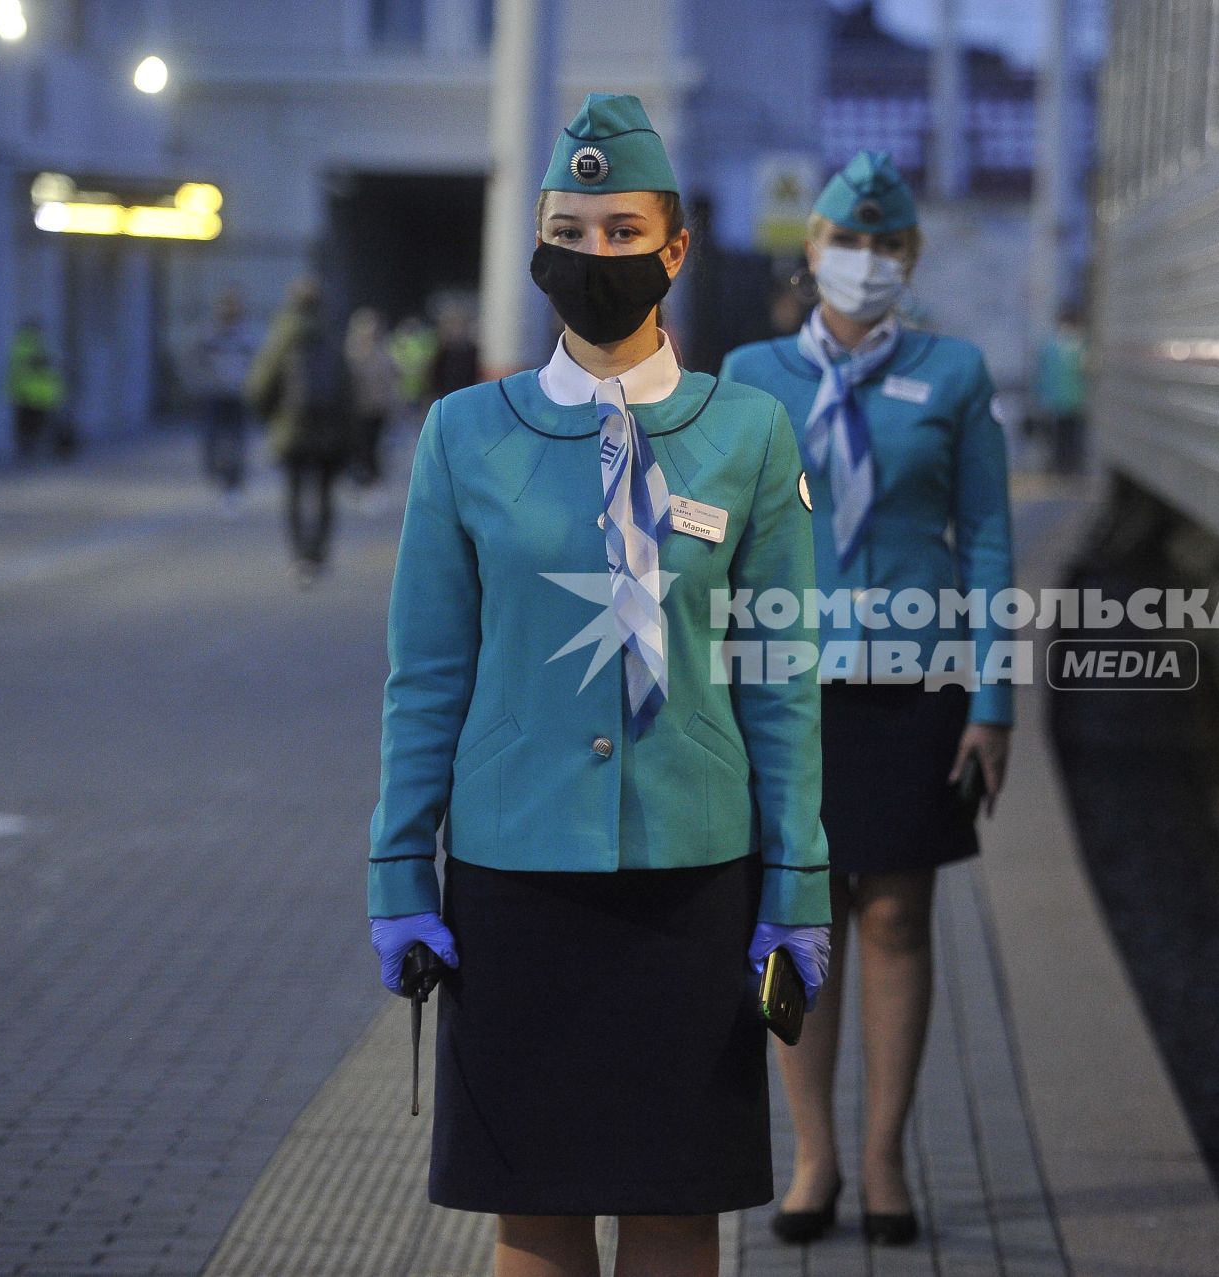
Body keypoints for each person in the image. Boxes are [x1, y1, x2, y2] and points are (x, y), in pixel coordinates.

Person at [364, 93, 832, 1277]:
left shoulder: (753, 433)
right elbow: (425, 675)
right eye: (570, 232)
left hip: (695, 871)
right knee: (538, 1209)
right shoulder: (466, 435)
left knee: (678, 1209)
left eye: (623, 232)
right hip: (517, 877)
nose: (594, 257)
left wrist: (799, 883)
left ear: (676, 251)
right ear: (538, 246)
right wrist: (396, 868)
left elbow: (783, 682)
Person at [721, 150, 1015, 1248]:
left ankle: (886, 1154)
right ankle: (815, 1156)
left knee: (894, 916)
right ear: (812, 251)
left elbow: (986, 539)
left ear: (912, 257)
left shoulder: (954, 373)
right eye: (847, 241)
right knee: (803, 922)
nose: (865, 262)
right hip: (782, 686)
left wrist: (996, 699)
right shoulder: (751, 373)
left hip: (915, 682)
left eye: (887, 245)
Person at [245, 275, 352, 586]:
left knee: (293, 492)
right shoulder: (331, 335)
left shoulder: (281, 337)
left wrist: (271, 419)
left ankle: (298, 555)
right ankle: (318, 553)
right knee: (324, 492)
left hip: (290, 430)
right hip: (329, 432)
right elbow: (347, 390)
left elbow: (258, 387)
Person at [187, 286, 261, 508]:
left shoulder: (248, 334)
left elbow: (258, 363)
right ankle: (215, 474)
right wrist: (199, 383)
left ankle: (234, 483)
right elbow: (193, 361)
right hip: (214, 394)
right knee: (211, 438)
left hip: (239, 394)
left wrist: (252, 385)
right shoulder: (209, 333)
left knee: (237, 441)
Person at [343, 306, 397, 501]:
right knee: (360, 448)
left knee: (375, 447)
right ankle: (360, 482)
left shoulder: (384, 352)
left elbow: (392, 380)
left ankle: (372, 484)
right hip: (358, 409)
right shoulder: (353, 353)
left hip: (379, 408)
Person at [1033, 305, 1088, 473]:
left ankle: (1065, 466)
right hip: (1065, 401)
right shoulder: (1075, 347)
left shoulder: (1055, 346)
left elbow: (1041, 374)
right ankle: (1063, 466)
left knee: (1065, 436)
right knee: (1064, 436)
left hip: (1066, 401)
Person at [7, 320, 66, 462]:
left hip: (29, 394)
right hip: (34, 395)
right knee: (34, 427)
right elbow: (41, 369)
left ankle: (31, 453)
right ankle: (33, 453)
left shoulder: (26, 345)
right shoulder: (34, 346)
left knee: (30, 428)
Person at [427, 301, 480, 399]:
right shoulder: (443, 352)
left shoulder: (473, 351)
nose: (458, 330)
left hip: (467, 396)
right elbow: (434, 379)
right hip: (446, 397)